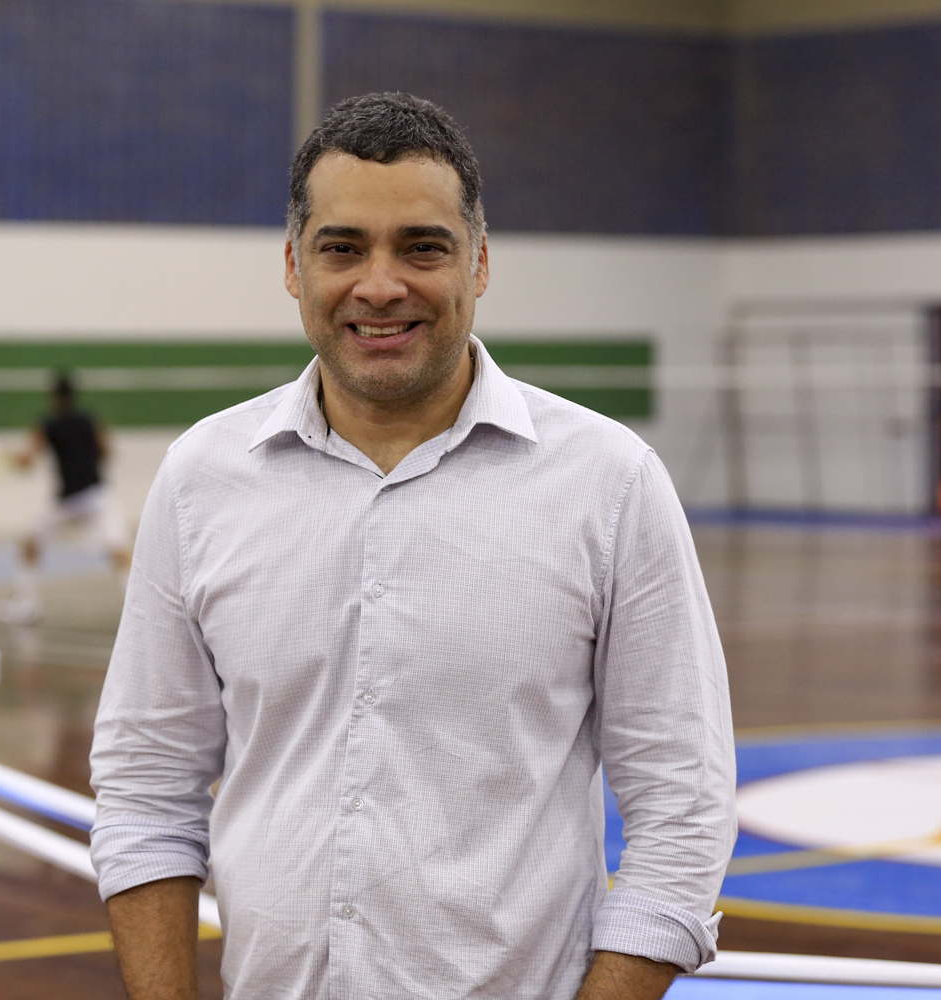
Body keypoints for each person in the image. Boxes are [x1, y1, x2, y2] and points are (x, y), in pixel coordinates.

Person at [90, 93, 734, 1000]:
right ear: (292, 267)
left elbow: (684, 806)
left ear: (478, 262)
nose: (380, 285)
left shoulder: (610, 482)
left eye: (421, 247)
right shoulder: (202, 478)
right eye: (342, 247)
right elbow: (145, 788)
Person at [0, 372, 130, 624]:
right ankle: (136, 608)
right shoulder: (90, 420)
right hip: (95, 494)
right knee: (119, 550)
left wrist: (9, 458)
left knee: (30, 544)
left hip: (70, 499)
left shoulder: (46, 423)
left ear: (52, 396)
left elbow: (26, 462)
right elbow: (107, 451)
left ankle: (27, 605)